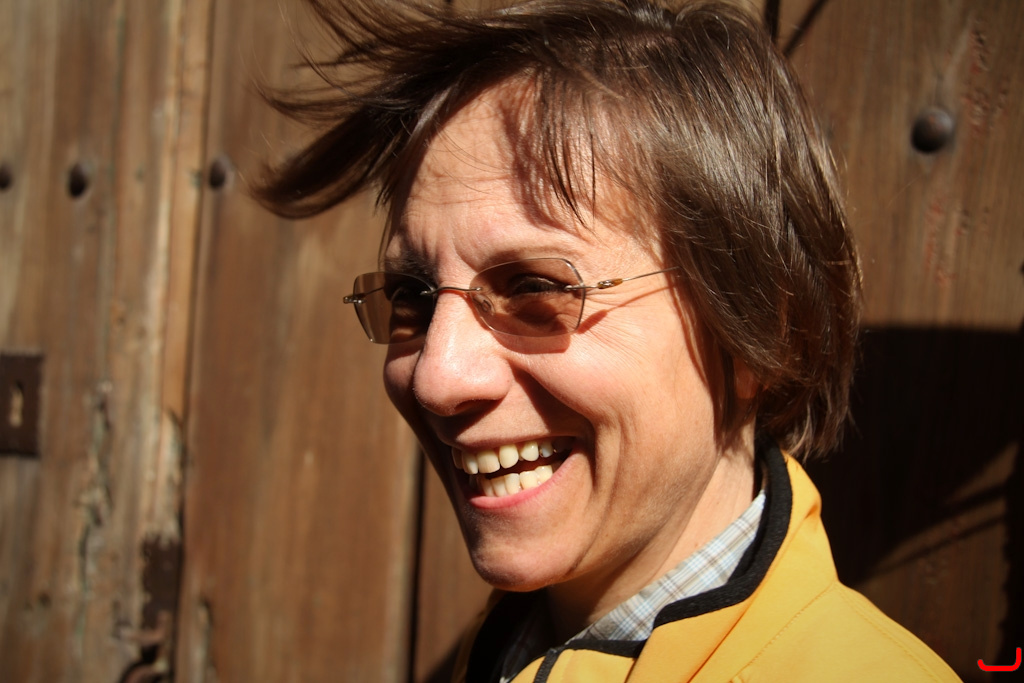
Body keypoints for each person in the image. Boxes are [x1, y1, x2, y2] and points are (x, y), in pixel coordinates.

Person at [255, 0, 960, 680]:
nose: (437, 377)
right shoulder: (516, 642)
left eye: (535, 288)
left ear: (758, 331)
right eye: (413, 295)